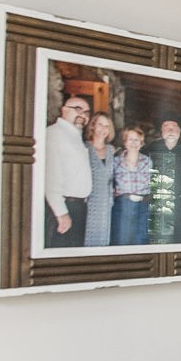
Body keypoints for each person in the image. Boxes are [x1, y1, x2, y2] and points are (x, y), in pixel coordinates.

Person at [40, 94, 92, 248]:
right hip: (63, 207)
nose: (82, 115)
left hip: (77, 207)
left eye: (87, 112)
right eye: (78, 109)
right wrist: (61, 213)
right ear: (63, 110)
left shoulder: (74, 136)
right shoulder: (54, 134)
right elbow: (51, 176)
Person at [149, 116, 181, 244]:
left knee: (180, 240)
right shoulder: (151, 148)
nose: (170, 130)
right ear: (161, 130)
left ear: (180, 131)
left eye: (174, 127)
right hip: (157, 205)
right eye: (166, 127)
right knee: (156, 241)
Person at [110, 125, 153, 246]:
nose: (133, 143)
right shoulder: (116, 161)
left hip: (143, 206)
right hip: (123, 206)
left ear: (141, 143)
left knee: (141, 243)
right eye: (130, 139)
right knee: (121, 242)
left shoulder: (148, 161)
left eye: (136, 140)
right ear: (124, 142)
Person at [81, 111, 117, 247]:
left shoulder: (111, 150)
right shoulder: (84, 147)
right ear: (93, 126)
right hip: (88, 200)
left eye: (106, 126)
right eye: (100, 125)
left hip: (106, 202)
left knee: (104, 237)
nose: (103, 129)